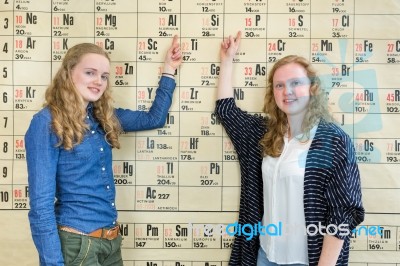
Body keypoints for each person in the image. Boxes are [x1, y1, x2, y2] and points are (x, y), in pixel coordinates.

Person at [25, 36, 182, 266]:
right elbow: (40, 206)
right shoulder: (46, 122)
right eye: (90, 73)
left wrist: (169, 70)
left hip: (111, 242)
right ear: (69, 73)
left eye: (104, 76)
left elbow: (154, 118)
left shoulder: (103, 117)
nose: (98, 81)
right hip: (77, 245)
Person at [215, 31, 364, 266]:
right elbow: (226, 112)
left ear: (312, 89)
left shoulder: (333, 140)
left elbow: (344, 211)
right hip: (265, 255)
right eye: (280, 85)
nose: (288, 91)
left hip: (308, 260)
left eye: (296, 83)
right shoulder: (264, 134)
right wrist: (227, 60)